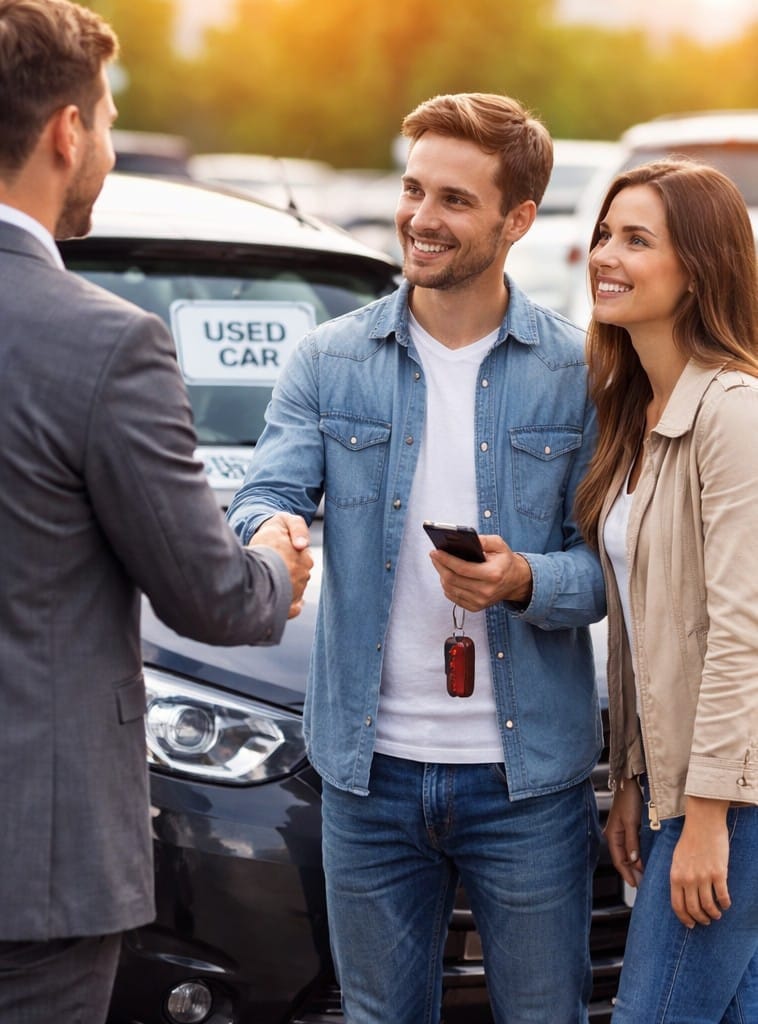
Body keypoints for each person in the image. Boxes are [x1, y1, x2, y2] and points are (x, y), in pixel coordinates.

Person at [227, 92, 606, 1024]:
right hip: (368, 775)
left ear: (519, 220)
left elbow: (611, 570)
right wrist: (268, 532)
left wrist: (525, 579)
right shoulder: (329, 360)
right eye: (412, 190)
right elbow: (265, 494)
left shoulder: (584, 371)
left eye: (454, 200)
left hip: (528, 782)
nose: (419, 219)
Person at [0, 2, 312, 1022]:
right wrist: (274, 560)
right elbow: (211, 597)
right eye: (108, 115)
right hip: (32, 875)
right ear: (65, 131)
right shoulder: (103, 344)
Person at [574, 158, 758, 1022]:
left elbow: (739, 629)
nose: (605, 253)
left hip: (735, 798)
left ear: (701, 270)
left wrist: (706, 817)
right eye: (606, 233)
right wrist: (630, 784)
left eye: (636, 239)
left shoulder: (733, 411)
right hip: (675, 791)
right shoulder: (633, 413)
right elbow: (647, 626)